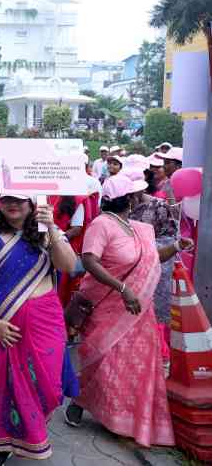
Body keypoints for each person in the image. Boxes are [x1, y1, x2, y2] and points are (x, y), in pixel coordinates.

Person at [64, 174, 193, 447]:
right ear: (130, 199)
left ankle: (120, 416)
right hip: (108, 305)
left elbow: (151, 257)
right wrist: (123, 289)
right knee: (104, 361)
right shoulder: (102, 225)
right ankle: (80, 401)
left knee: (132, 365)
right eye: (138, 194)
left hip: (137, 310)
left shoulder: (138, 228)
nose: (141, 197)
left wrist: (177, 246)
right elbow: (89, 260)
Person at [0, 193, 77, 465]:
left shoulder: (46, 233)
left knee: (48, 383)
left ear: (32, 203)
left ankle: (30, 434)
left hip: (45, 320)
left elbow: (69, 266)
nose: (13, 205)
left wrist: (51, 227)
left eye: (19, 200)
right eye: (7, 200)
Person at [126, 168, 178, 371]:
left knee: (154, 310)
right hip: (129, 267)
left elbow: (169, 238)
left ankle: (159, 356)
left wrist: (145, 249)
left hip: (155, 265)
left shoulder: (159, 206)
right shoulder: (118, 206)